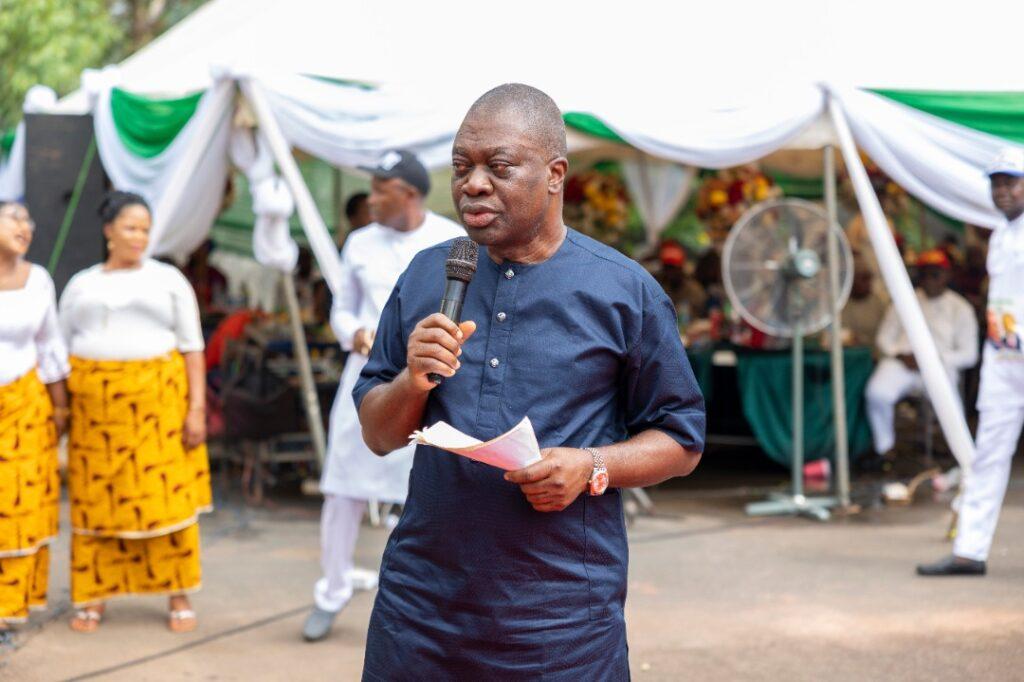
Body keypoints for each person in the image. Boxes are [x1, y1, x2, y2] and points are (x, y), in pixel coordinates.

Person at [354, 84, 704, 679]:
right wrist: (412, 382)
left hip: (559, 622)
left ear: (554, 175)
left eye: (499, 167)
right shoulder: (427, 274)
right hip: (421, 612)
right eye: (461, 167)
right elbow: (378, 434)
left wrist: (591, 465)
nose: (473, 184)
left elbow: (682, 439)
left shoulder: (623, 292)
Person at [302, 151, 463, 642]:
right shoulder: (360, 242)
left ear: (409, 194)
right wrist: (354, 334)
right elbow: (342, 309)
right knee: (342, 487)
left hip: (431, 379)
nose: (370, 200)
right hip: (367, 374)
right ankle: (331, 591)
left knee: (429, 487)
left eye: (380, 190)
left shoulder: (451, 240)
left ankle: (429, 599)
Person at [59, 191, 211, 632]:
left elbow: (193, 348)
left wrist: (196, 409)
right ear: (109, 230)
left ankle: (177, 593)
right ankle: (95, 595)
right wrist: (61, 412)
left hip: (158, 412)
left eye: (145, 229)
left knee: (166, 501)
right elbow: (59, 348)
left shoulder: (168, 279)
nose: (139, 237)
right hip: (96, 416)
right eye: (130, 227)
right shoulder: (82, 284)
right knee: (98, 505)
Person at [919, 148, 1024, 576]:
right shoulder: (1000, 235)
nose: (1002, 191)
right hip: (1003, 361)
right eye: (996, 183)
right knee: (987, 455)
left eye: (1010, 182)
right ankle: (970, 550)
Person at [0, 202, 70, 633]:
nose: (25, 226)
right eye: (14, 217)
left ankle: (8, 605)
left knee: (18, 503)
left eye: (29, 219)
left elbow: (50, 344)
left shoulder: (38, 279)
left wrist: (61, 409)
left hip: (25, 408)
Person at [865, 249, 978, 460]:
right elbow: (884, 338)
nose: (930, 279)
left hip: (939, 365)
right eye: (925, 273)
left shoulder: (960, 307)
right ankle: (885, 449)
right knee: (877, 392)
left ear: (947, 275)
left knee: (947, 399)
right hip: (904, 362)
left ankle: (956, 448)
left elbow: (969, 354)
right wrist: (900, 355)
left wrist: (934, 360)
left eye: (935, 273)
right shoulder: (904, 300)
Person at [840, 255, 887, 350]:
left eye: (869, 279)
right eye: (863, 279)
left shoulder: (878, 303)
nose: (868, 284)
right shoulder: (842, 303)